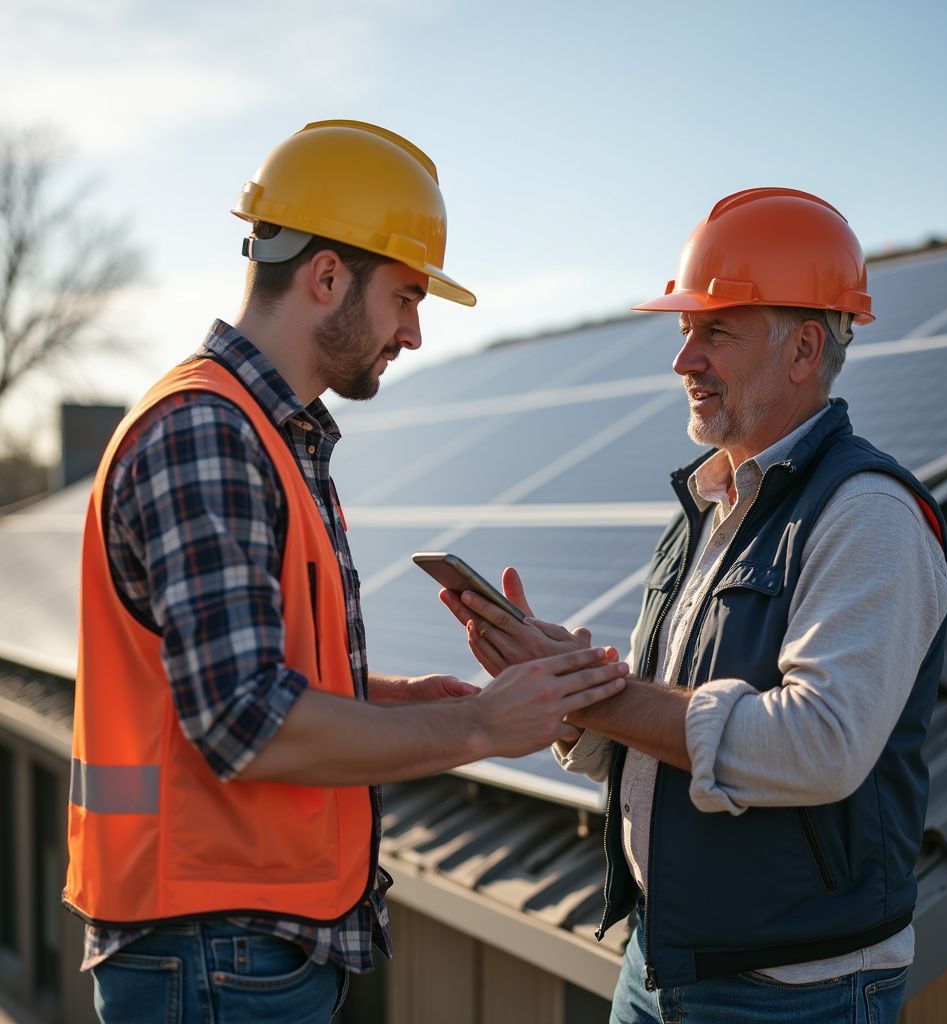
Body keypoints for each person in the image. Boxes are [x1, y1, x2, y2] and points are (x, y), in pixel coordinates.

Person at [63, 119, 628, 1024]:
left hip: (233, 940)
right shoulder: (210, 432)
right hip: (213, 943)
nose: (411, 332)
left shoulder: (266, 433)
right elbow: (248, 722)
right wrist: (479, 724)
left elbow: (239, 677)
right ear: (326, 276)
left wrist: (403, 699)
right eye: (406, 296)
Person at [440, 188, 947, 1023]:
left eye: (715, 331)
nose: (683, 359)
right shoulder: (712, 509)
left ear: (805, 349)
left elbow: (818, 746)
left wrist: (604, 695)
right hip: (661, 962)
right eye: (684, 331)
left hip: (795, 994)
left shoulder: (868, 516)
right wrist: (570, 699)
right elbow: (658, 737)